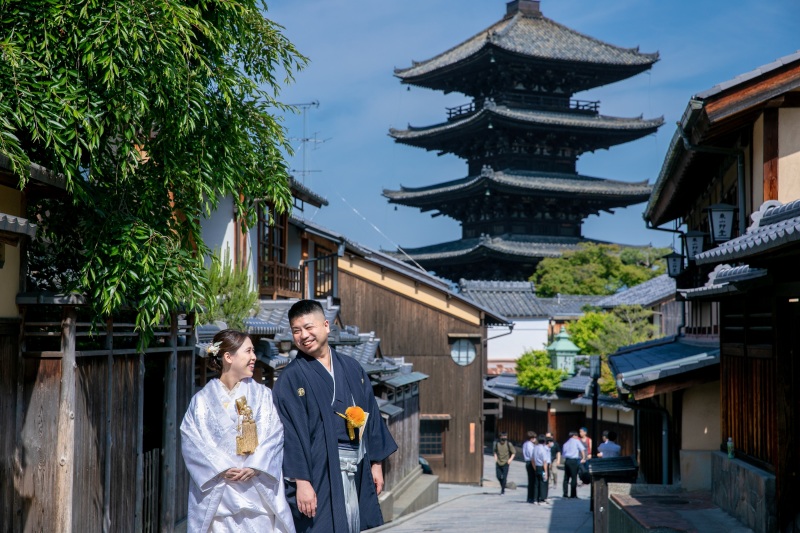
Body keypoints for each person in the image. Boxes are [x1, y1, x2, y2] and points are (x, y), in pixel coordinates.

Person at [272, 300, 397, 533]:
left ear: (326, 326)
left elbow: (371, 416)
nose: (303, 335)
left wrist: (376, 464)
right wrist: (302, 482)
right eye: (296, 331)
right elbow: (289, 434)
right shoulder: (290, 379)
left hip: (358, 466)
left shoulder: (352, 368)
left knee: (359, 523)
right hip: (319, 471)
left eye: (309, 327)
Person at [180, 329, 295, 532]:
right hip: (220, 496)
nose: (254, 357)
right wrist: (223, 467)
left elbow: (275, 435)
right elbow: (192, 442)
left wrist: (255, 465)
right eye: (248, 351)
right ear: (228, 357)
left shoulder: (263, 395)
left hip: (256, 493)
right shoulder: (201, 401)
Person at [561, 431, 587, 499]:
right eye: (577, 435)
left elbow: (563, 454)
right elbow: (582, 449)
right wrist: (583, 458)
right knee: (574, 477)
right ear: (574, 436)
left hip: (567, 460)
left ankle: (565, 494)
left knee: (566, 478)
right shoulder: (577, 441)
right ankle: (573, 494)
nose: (578, 437)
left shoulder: (565, 443)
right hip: (573, 461)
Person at [532, 436, 550, 504]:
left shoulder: (535, 448)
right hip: (542, 467)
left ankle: (535, 499)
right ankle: (542, 498)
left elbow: (532, 459)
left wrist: (535, 468)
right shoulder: (543, 449)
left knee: (536, 483)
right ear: (544, 442)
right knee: (543, 482)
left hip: (536, 467)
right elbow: (544, 462)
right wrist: (546, 472)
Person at [521, 431, 537, 503]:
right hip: (530, 462)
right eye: (534, 438)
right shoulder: (529, 445)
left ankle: (530, 497)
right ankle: (531, 497)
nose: (535, 439)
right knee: (532, 481)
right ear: (531, 438)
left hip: (528, 462)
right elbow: (532, 456)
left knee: (531, 480)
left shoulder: (526, 444)